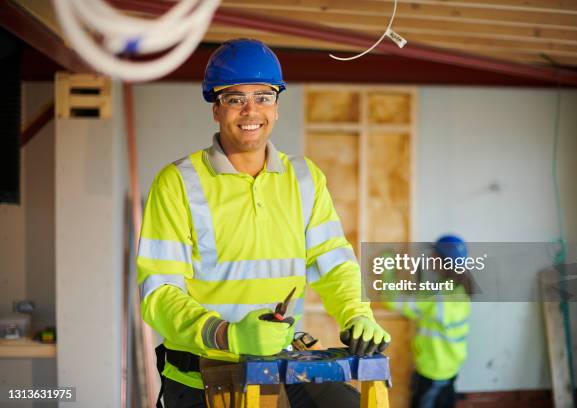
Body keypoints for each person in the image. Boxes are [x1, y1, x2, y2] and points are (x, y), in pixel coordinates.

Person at [136, 38, 391, 408]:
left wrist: (357, 314)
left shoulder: (304, 178)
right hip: (201, 378)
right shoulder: (177, 183)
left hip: (281, 364)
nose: (250, 110)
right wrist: (228, 335)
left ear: (277, 106)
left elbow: (334, 262)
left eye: (264, 96)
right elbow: (159, 295)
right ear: (216, 109)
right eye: (235, 98)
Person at [385, 235, 471, 408]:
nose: (430, 258)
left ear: (443, 261)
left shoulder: (437, 297)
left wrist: (388, 269)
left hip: (433, 373)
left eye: (433, 255)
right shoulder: (460, 290)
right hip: (449, 370)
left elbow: (392, 301)